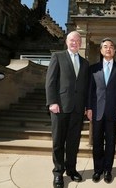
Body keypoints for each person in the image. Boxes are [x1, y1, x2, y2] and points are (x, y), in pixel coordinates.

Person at [45, 31, 89, 188]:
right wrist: (52, 102)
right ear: (66, 41)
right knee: (58, 142)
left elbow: (85, 87)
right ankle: (58, 172)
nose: (75, 43)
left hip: (77, 109)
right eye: (72, 40)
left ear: (81, 43)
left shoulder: (85, 63)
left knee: (73, 142)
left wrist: (86, 106)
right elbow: (50, 81)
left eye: (78, 40)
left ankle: (71, 169)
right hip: (60, 107)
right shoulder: (58, 56)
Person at [86, 38, 116, 183]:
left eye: (111, 47)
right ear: (101, 50)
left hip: (113, 111)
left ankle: (108, 170)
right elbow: (90, 90)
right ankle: (98, 170)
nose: (108, 49)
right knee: (97, 142)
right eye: (105, 47)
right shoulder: (93, 69)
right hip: (96, 110)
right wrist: (88, 107)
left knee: (110, 142)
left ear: (114, 51)